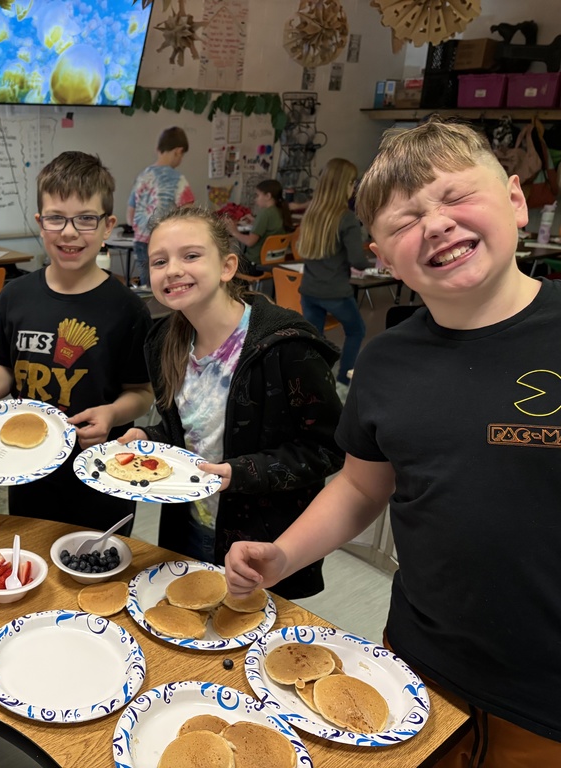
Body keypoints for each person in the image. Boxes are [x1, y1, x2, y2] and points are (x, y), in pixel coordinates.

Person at [225, 118, 561, 766]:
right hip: (417, 668)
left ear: (516, 200)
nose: (435, 224)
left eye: (456, 196)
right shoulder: (384, 362)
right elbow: (359, 486)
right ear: (379, 255)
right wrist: (283, 554)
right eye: (406, 220)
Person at [117, 205, 343, 598]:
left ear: (227, 266)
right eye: (159, 261)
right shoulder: (162, 344)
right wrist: (149, 436)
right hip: (187, 527)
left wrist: (241, 472)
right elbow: (191, 432)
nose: (172, 269)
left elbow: (328, 448)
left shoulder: (286, 346)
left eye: (190, 255)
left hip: (262, 540)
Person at [0, 151, 154, 535]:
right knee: (29, 562)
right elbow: (2, 364)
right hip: (26, 466)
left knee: (97, 571)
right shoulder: (14, 296)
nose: (69, 232)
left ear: (107, 226)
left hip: (102, 471)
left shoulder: (128, 309)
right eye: (56, 218)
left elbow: (143, 392)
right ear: (40, 222)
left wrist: (113, 415)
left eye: (85, 219)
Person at [295, 158, 369, 388]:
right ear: (344, 185)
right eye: (352, 183)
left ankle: (314, 380)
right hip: (335, 292)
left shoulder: (312, 214)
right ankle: (343, 380)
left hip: (309, 291)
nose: (354, 187)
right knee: (357, 330)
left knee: (314, 340)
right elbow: (358, 260)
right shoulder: (347, 219)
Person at [127, 126, 195, 287]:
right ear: (178, 151)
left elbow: (130, 217)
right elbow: (190, 217)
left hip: (140, 242)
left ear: (158, 149)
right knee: (166, 285)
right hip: (164, 243)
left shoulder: (142, 176)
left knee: (148, 284)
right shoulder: (177, 179)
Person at [225, 179, 294, 270]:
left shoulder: (265, 213)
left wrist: (234, 232)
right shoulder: (281, 210)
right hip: (274, 261)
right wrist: (255, 221)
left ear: (268, 196)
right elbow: (271, 227)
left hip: (255, 263)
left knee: (226, 262)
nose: (255, 199)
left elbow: (250, 242)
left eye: (257, 195)